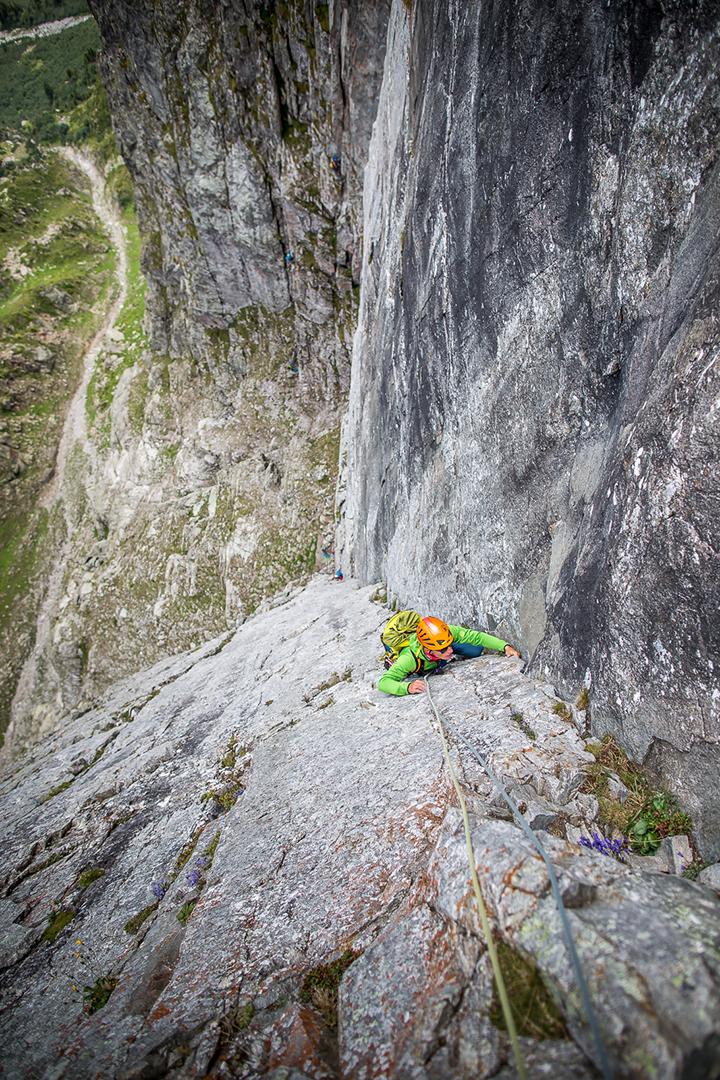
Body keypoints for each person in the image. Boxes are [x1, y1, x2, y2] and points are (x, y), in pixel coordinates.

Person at [378, 616, 520, 696]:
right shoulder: (409, 659)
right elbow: (383, 682)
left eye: (450, 645)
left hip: (435, 655)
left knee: (476, 650)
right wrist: (407, 688)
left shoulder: (447, 632)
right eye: (443, 649)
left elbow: (477, 637)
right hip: (420, 661)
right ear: (429, 649)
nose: (449, 651)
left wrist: (505, 647)